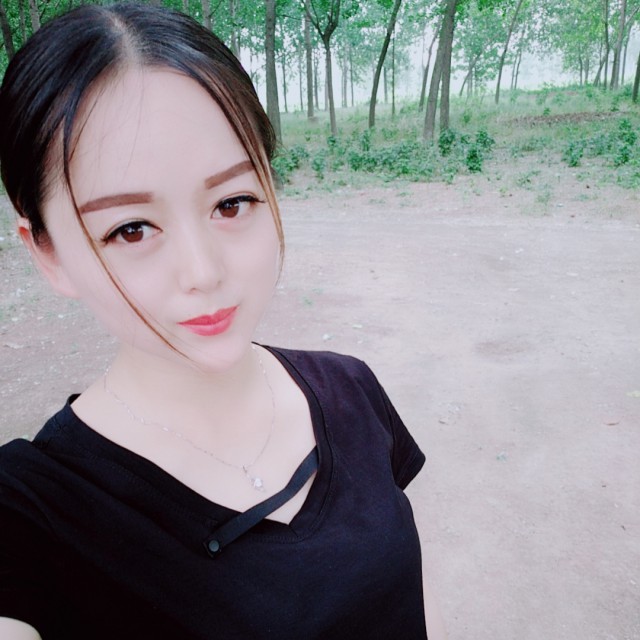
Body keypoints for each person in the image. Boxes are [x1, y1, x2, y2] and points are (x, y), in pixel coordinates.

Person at [0, 4, 446, 639]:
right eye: (131, 229)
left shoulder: (353, 391)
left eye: (232, 203)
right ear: (47, 253)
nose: (203, 272)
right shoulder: (31, 514)